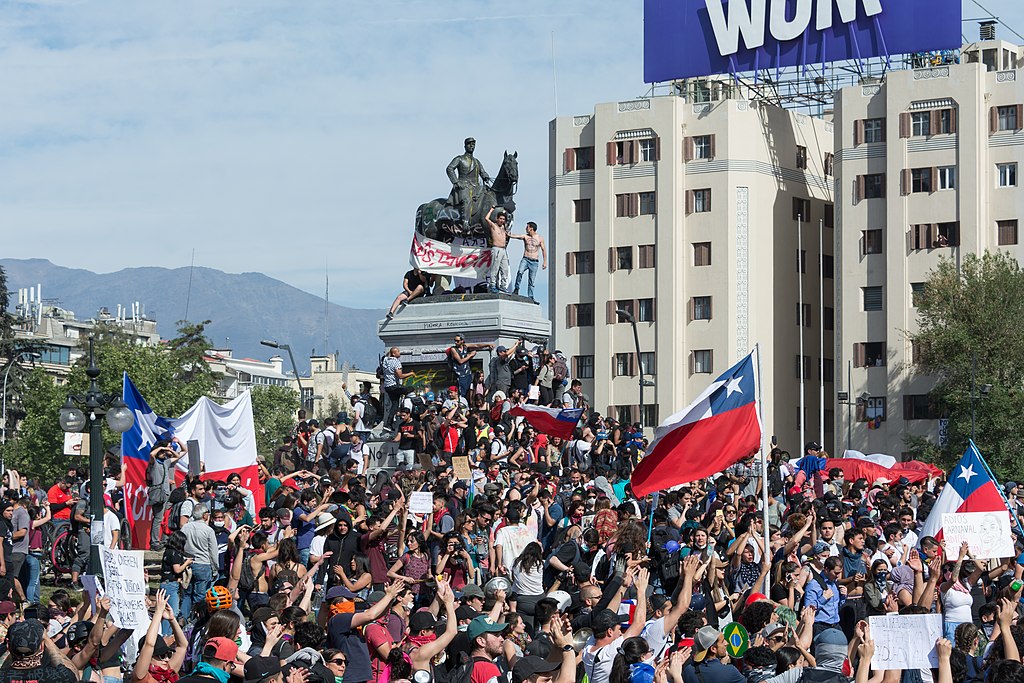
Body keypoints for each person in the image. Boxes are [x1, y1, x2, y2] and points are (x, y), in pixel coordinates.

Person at [147, 438, 187, 549]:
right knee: (158, 518)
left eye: (164, 452)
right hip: (158, 493)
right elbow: (151, 454)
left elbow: (178, 456)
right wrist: (161, 448)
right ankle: (155, 542)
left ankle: (164, 541)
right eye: (161, 452)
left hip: (166, 493)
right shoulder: (154, 463)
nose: (163, 453)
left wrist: (169, 449)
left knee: (166, 517)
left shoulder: (165, 462)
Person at [446, 136, 491, 228]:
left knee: (488, 197)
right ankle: (465, 222)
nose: (471, 146)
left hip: (476, 187)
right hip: (464, 186)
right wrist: (456, 182)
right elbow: (449, 168)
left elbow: (482, 172)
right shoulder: (459, 159)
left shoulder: (477, 162)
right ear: (465, 146)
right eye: (469, 144)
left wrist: (485, 176)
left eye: (473, 144)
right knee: (467, 200)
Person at [509, 221, 547, 301]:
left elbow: (543, 250)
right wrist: (509, 235)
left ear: (531, 228)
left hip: (534, 261)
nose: (526, 229)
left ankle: (531, 295)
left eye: (527, 227)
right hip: (525, 259)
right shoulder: (526, 236)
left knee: (531, 280)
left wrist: (545, 262)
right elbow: (517, 236)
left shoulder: (540, 238)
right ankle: (516, 288)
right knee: (520, 272)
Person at [380, 347, 414, 431]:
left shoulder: (386, 360)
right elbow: (400, 375)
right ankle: (407, 408)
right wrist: (411, 373)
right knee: (410, 389)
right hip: (394, 386)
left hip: (387, 387)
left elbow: (387, 355)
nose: (400, 352)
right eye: (398, 351)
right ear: (394, 354)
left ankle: (388, 424)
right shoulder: (396, 362)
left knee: (394, 405)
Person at [483, 206, 512, 292]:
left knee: (505, 268)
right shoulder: (494, 226)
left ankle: (503, 285)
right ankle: (492, 285)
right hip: (496, 249)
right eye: (500, 219)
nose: (502, 220)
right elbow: (486, 218)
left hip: (503, 250)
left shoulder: (503, 228)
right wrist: (491, 209)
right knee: (495, 268)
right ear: (497, 219)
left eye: (503, 219)